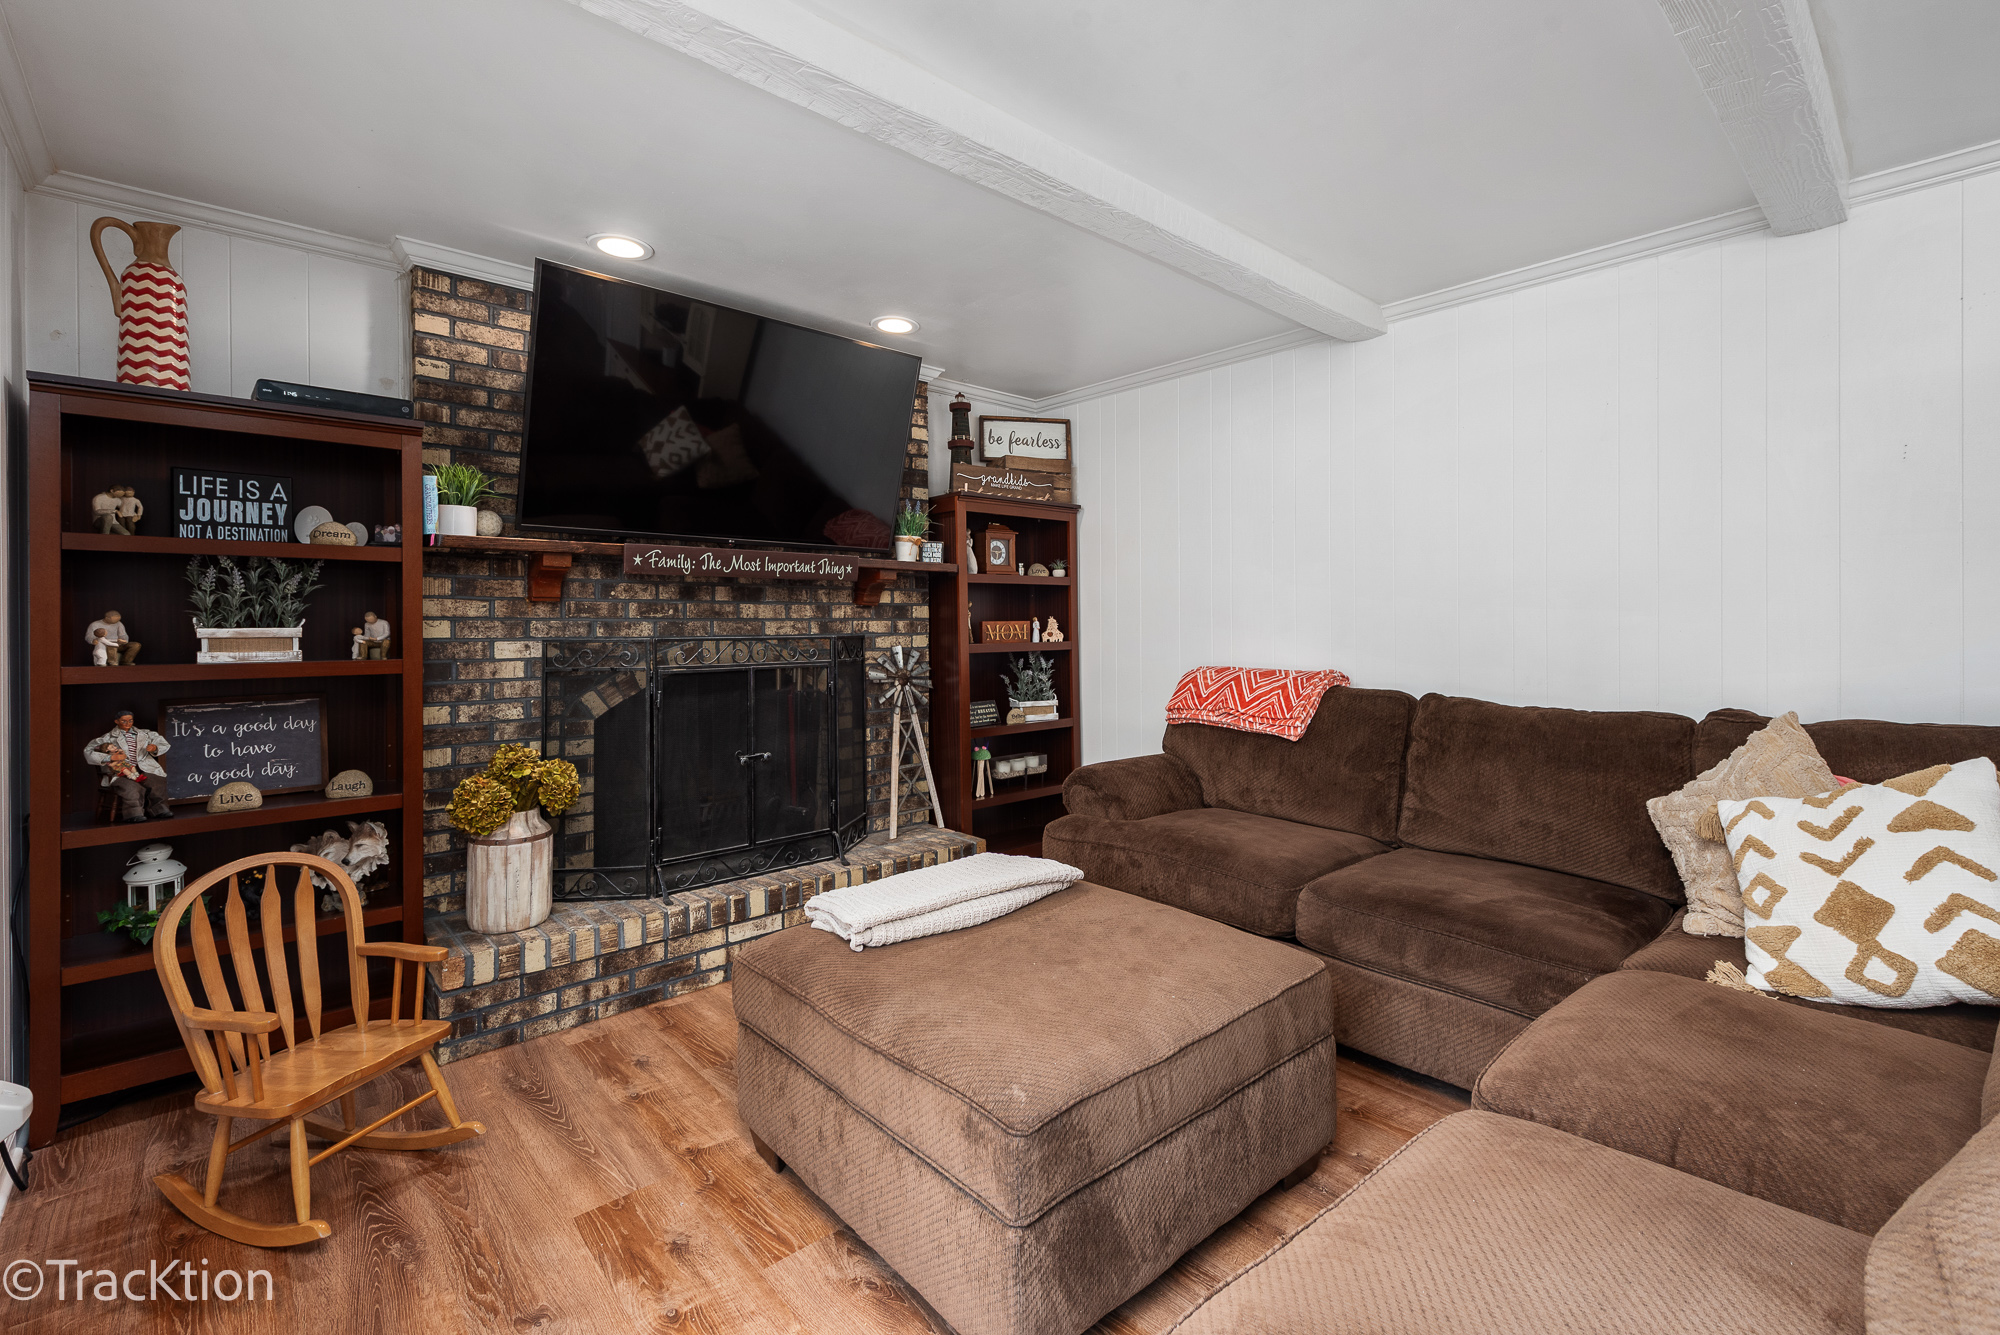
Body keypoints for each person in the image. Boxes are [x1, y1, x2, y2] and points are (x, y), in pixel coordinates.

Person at [84, 708, 173, 821]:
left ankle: (159, 809)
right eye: (124, 721)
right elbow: (88, 750)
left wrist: (155, 747)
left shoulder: (145, 734)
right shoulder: (108, 738)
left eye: (130, 721)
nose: (128, 723)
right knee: (131, 788)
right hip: (120, 772)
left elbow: (162, 742)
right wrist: (110, 757)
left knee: (156, 782)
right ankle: (134, 814)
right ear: (116, 721)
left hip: (144, 768)